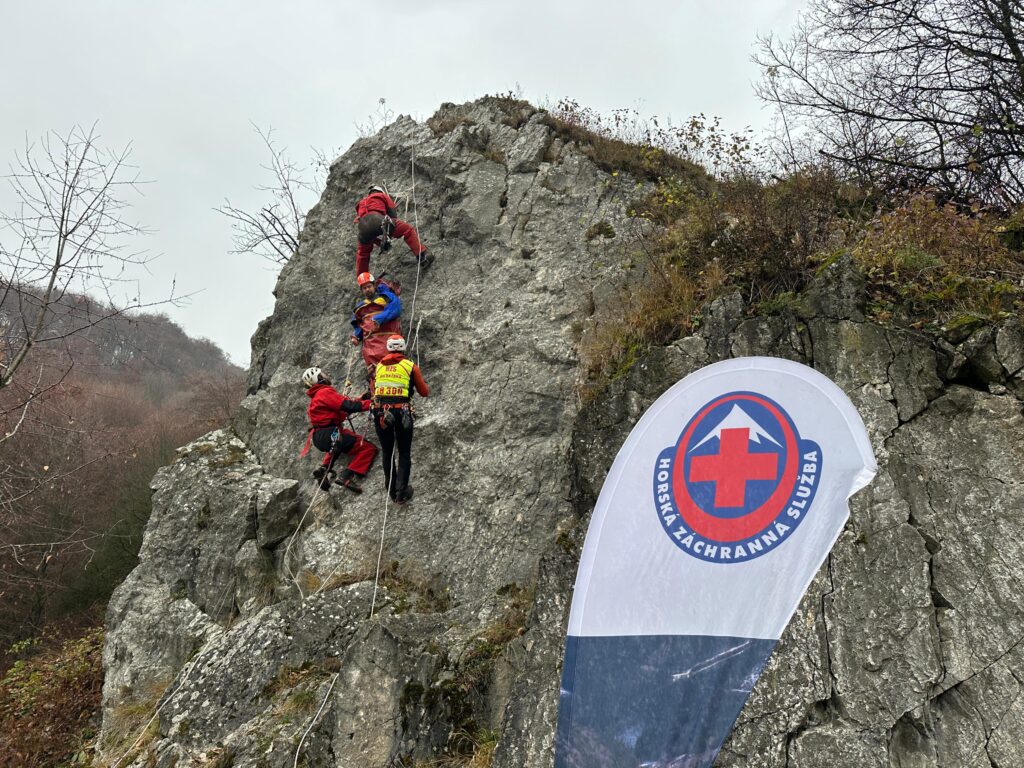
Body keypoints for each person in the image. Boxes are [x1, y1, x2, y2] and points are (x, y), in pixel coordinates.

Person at [300, 367, 377, 493]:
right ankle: (346, 475)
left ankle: (324, 468)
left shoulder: (316, 397)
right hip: (330, 433)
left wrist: (361, 399)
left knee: (336, 445)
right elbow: (347, 406)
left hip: (320, 436)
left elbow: (341, 409)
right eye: (323, 374)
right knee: (368, 448)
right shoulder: (324, 392)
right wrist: (372, 404)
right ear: (319, 378)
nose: (326, 375)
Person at [372, 335, 429, 504]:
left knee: (388, 452)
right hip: (401, 412)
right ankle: (401, 490)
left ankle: (391, 490)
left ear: (388, 348)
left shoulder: (379, 366)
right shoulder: (410, 366)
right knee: (403, 451)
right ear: (403, 348)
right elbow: (424, 392)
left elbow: (376, 389)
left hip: (381, 412)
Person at [354, 184, 433, 275]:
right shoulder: (382, 196)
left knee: (363, 253)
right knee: (407, 230)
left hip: (362, 227)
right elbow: (393, 214)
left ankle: (363, 280)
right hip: (377, 220)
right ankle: (423, 255)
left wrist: (379, 242)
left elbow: (366, 225)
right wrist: (390, 232)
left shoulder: (361, 203)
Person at [351, 272, 402, 377]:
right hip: (370, 343)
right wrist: (357, 336)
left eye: (369, 286)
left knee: (392, 366)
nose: (367, 289)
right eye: (364, 288)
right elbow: (360, 324)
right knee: (374, 372)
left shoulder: (386, 297)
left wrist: (379, 318)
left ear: (374, 285)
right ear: (361, 291)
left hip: (388, 337)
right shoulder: (360, 307)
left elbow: (395, 309)